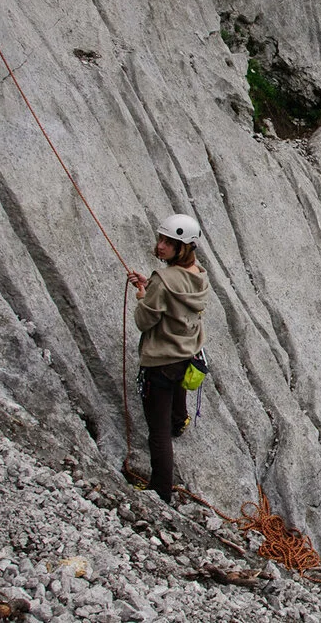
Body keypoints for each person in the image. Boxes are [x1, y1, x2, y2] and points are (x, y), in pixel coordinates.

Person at [126, 214, 209, 503]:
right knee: (176, 390)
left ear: (181, 247)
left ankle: (160, 491)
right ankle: (180, 421)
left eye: (168, 242)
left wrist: (142, 294)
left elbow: (144, 321)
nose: (160, 246)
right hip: (186, 352)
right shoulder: (199, 273)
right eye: (160, 239)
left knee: (157, 432)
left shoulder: (162, 280)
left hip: (161, 358)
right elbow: (176, 300)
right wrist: (150, 288)